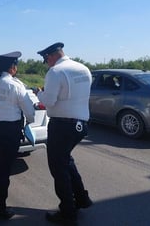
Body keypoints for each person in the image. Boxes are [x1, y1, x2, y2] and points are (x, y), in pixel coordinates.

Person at [35, 42, 93, 225]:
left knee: (58, 169)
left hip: (62, 126)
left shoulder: (55, 72)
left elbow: (49, 101)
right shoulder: (83, 69)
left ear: (50, 56)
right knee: (66, 161)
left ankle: (68, 212)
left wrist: (39, 94)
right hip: (80, 124)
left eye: (46, 60)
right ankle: (82, 198)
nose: (47, 64)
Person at [0, 51, 35, 222]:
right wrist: (29, 122)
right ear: (12, 67)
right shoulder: (15, 85)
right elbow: (29, 112)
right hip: (9, 131)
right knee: (3, 170)